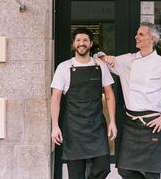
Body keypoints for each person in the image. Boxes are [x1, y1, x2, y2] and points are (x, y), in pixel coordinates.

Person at [98, 22, 161, 179]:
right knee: (124, 170)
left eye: (141, 34)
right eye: (137, 33)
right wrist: (102, 56)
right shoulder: (128, 60)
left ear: (152, 38)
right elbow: (100, 61)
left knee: (152, 174)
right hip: (131, 124)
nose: (136, 36)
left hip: (151, 125)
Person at [50, 27, 117, 179]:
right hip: (74, 129)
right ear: (74, 44)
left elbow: (109, 94)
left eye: (85, 40)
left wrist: (112, 121)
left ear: (91, 43)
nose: (82, 43)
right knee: (76, 175)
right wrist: (55, 126)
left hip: (96, 127)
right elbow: (55, 97)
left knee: (103, 167)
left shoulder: (100, 65)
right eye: (78, 40)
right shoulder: (64, 67)